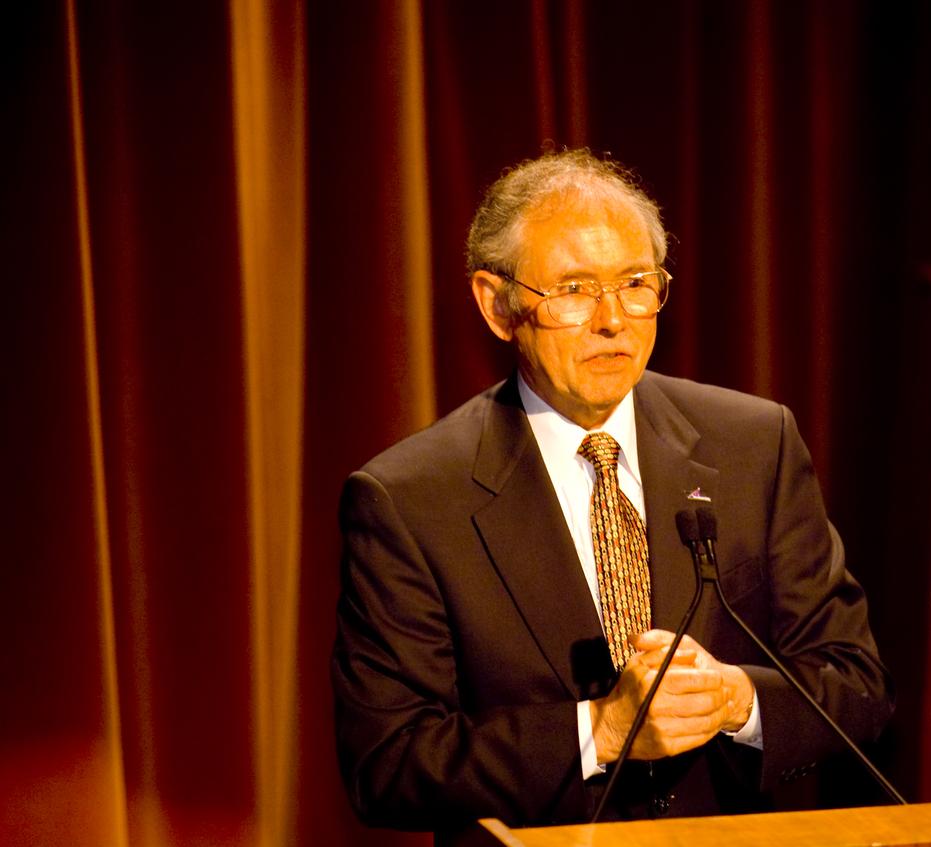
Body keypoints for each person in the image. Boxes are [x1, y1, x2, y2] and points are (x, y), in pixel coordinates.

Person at [331, 149, 892, 834]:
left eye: (634, 283)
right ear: (498, 305)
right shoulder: (410, 499)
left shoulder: (754, 445)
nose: (613, 320)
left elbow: (856, 684)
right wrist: (600, 730)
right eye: (573, 289)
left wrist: (735, 700)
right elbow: (388, 763)